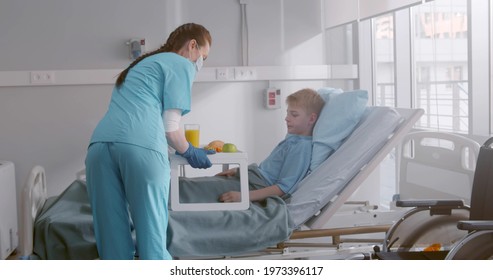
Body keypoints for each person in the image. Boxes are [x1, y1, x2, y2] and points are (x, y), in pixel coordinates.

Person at [85, 23, 214, 260]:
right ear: (192, 45)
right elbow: (170, 127)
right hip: (140, 149)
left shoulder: (141, 65)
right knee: (152, 239)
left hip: (99, 147)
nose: (200, 64)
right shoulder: (180, 63)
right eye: (203, 57)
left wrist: (184, 148)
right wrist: (190, 151)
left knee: (112, 240)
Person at [217, 88, 325, 203]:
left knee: (204, 189)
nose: (287, 118)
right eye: (287, 113)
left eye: (294, 115)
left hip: (255, 187)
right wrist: (240, 171)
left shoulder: (301, 148)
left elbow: (283, 188)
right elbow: (268, 170)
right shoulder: (293, 139)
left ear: (312, 118)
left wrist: (244, 197)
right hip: (252, 178)